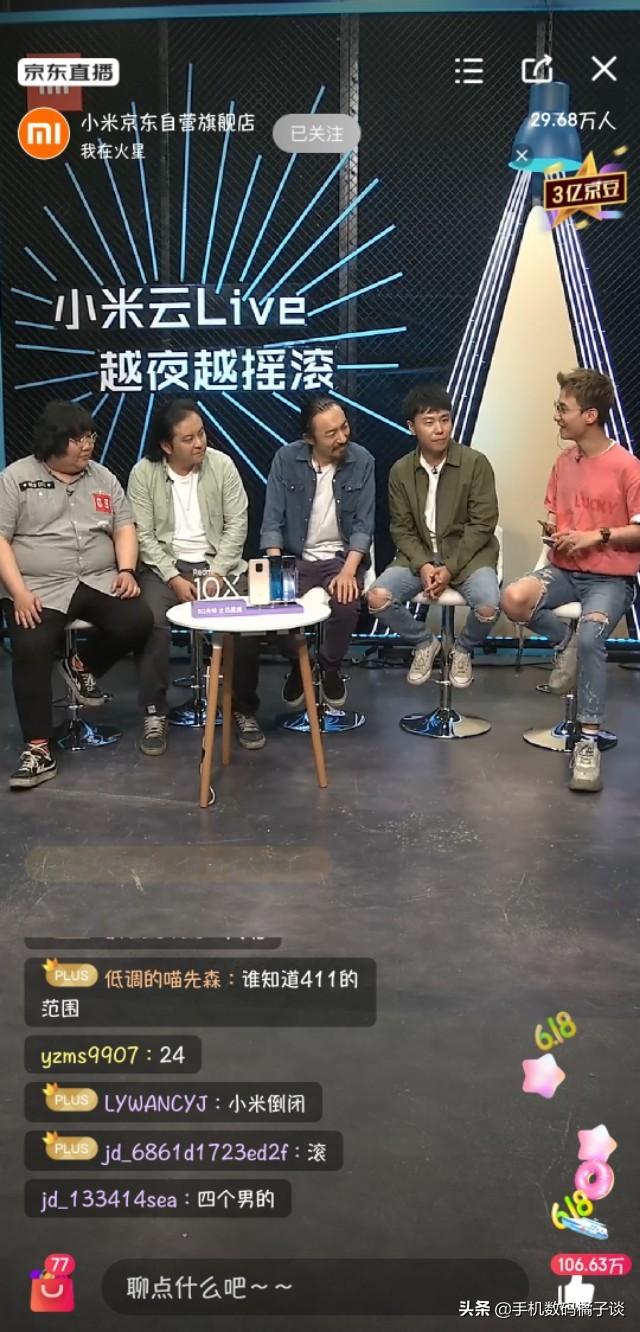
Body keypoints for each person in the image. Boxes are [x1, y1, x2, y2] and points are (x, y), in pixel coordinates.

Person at [0, 400, 152, 790]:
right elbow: (0, 539)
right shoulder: (15, 478)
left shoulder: (103, 477)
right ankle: (38, 748)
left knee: (138, 619)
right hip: (39, 586)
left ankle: (81, 665)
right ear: (53, 442)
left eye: (90, 436)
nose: (87, 445)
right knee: (30, 644)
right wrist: (18, 592)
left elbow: (124, 526)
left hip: (97, 579)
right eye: (77, 438)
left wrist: (126, 570)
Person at [502, 367, 640, 793]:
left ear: (590, 415)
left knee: (592, 637)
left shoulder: (628, 466)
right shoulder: (564, 462)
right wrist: (556, 531)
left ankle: (588, 743)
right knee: (513, 598)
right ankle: (565, 644)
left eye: (564, 408)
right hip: (564, 570)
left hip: (610, 578)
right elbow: (558, 515)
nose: (557, 415)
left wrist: (596, 535)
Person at [127, 398, 264, 755]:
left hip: (218, 564)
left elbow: (238, 524)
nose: (199, 443)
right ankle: (154, 712)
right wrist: (173, 577)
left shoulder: (222, 465)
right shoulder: (143, 473)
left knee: (247, 623)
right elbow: (143, 536)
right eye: (188, 439)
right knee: (150, 619)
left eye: (201, 434)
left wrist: (217, 572)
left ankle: (243, 709)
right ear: (166, 445)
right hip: (165, 568)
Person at [367, 383, 499, 687]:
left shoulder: (475, 463)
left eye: (444, 419)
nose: (439, 429)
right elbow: (401, 528)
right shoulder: (401, 470)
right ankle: (425, 643)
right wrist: (424, 565)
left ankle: (462, 649)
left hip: (468, 557)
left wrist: (449, 568)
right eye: (429, 422)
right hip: (419, 556)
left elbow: (483, 524)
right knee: (377, 597)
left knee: (489, 605)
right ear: (411, 427)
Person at [260, 396, 375, 707]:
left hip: (340, 557)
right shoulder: (286, 459)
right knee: (271, 606)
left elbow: (364, 525)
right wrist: (275, 568)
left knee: (346, 605)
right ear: (309, 438)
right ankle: (300, 663)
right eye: (331, 433)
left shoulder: (362, 460)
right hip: (295, 557)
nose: (342, 437)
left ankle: (329, 666)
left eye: (344, 427)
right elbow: (272, 519)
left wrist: (349, 570)